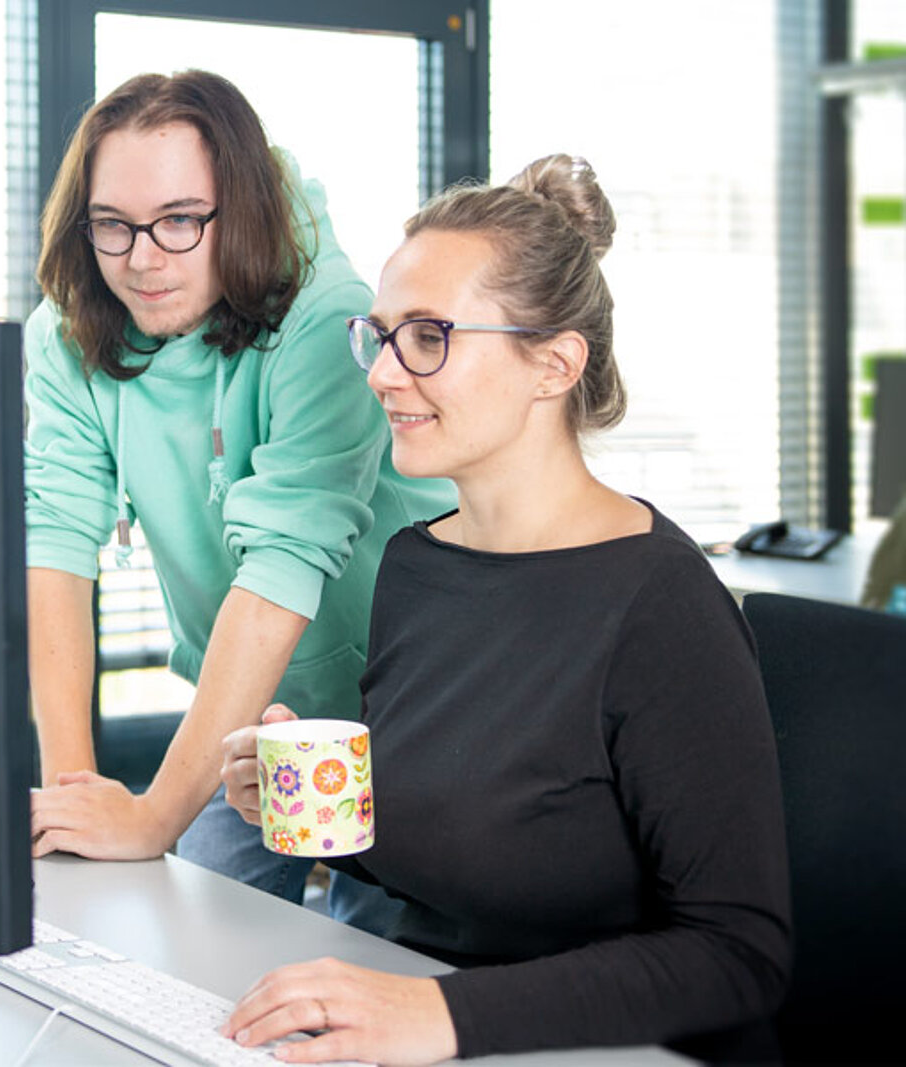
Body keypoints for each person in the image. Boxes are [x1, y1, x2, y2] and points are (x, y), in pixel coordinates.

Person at [217, 155, 792, 1064]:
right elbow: (476, 841)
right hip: (436, 1021)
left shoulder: (663, 605)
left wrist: (441, 1014)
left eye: (429, 337)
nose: (383, 374)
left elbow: (739, 956)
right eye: (381, 336)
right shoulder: (416, 563)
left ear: (554, 364)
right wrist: (315, 810)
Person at [24, 67, 453, 926]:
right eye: (112, 225)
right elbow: (56, 544)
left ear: (240, 210)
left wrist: (151, 816)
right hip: (243, 712)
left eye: (180, 220)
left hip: (407, 710)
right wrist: (74, 801)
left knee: (380, 949)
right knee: (195, 938)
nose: (143, 259)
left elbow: (282, 568)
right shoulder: (66, 334)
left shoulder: (329, 317)